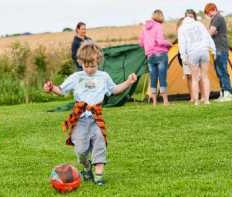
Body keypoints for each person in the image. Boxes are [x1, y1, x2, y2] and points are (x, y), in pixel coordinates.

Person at [44, 42, 137, 186]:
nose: (89, 69)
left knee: (100, 144)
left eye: (92, 65)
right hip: (79, 120)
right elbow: (61, 90)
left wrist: (128, 82)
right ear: (80, 62)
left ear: (98, 61)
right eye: (85, 65)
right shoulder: (76, 77)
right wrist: (51, 88)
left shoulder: (103, 76)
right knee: (81, 151)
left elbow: (114, 90)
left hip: (96, 119)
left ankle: (99, 178)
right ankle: (87, 168)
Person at [178, 9, 216, 105]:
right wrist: (213, 50)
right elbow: (208, 37)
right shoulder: (199, 24)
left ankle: (196, 101)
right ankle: (207, 100)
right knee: (205, 76)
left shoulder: (182, 28)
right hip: (204, 51)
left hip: (192, 53)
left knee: (194, 78)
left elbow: (182, 44)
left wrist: (183, 57)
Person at [139, 9, 171, 106]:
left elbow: (141, 43)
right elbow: (160, 41)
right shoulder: (158, 26)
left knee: (153, 78)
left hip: (150, 56)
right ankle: (165, 101)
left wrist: (148, 47)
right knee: (162, 78)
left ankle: (154, 102)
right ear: (161, 16)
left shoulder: (144, 28)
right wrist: (168, 44)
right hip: (160, 54)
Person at [204, 3, 232, 102]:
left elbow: (210, 32)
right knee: (219, 72)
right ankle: (223, 93)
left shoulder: (218, 18)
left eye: (208, 12)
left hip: (221, 48)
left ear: (213, 9)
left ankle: (228, 93)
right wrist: (211, 32)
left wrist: (210, 32)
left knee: (222, 71)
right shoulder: (215, 18)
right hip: (217, 49)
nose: (208, 15)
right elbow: (212, 32)